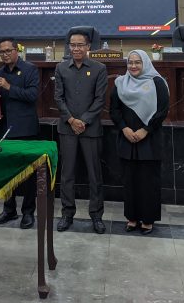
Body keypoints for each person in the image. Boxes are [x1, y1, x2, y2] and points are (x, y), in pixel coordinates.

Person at [109, 50, 170, 235]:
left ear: (145, 63)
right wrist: (124, 129)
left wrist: (145, 130)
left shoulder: (157, 82)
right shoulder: (120, 83)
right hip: (127, 138)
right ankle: (132, 218)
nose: (133, 66)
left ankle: (148, 219)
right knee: (129, 181)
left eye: (137, 62)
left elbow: (162, 110)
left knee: (148, 182)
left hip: (149, 140)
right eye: (130, 62)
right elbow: (114, 110)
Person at [54, 29, 108, 234]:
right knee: (67, 174)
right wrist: (71, 120)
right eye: (73, 45)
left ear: (88, 47)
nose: (76, 48)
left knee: (95, 175)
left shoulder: (99, 68)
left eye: (80, 45)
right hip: (67, 128)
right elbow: (58, 98)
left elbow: (100, 99)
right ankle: (67, 214)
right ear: (69, 47)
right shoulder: (61, 68)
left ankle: (96, 216)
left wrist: (82, 121)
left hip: (90, 129)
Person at [0, 37, 40, 229]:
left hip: (25, 129)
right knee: (6, 174)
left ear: (16, 50)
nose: (5, 54)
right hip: (2, 129)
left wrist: (8, 87)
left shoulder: (30, 69)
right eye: (2, 51)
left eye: (8, 50)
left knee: (28, 175)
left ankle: (28, 212)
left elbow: (32, 96)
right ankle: (9, 209)